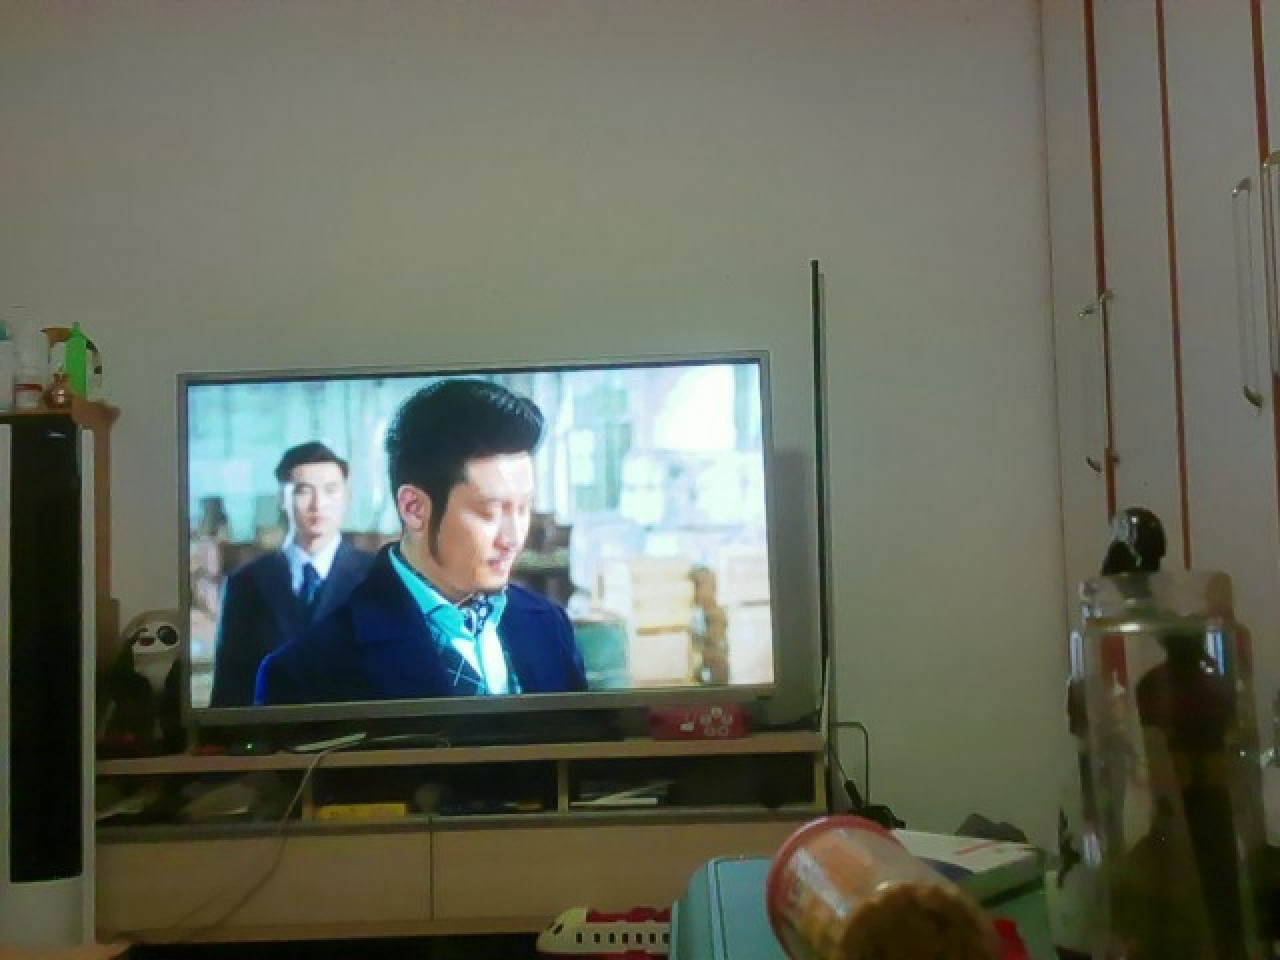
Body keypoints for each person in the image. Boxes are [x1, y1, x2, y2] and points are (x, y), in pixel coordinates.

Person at [255, 379, 586, 705]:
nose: (513, 538)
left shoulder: (548, 626)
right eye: (489, 511)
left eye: (524, 508)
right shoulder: (307, 671)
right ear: (414, 508)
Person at [209, 442, 375, 707]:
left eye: (330, 490)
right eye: (303, 491)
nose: (318, 504)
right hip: (272, 728)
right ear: (282, 499)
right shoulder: (246, 583)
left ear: (346, 497)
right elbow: (230, 687)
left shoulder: (378, 577)